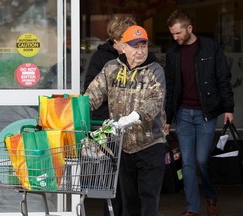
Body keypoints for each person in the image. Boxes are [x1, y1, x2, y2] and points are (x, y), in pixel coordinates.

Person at [85, 25, 166, 216]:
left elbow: (155, 100)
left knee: (148, 198)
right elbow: (92, 95)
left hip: (150, 143)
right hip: (122, 146)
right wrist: (74, 113)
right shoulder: (111, 68)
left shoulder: (155, 70)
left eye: (143, 46)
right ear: (124, 48)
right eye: (134, 46)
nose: (140, 51)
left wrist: (133, 117)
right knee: (129, 202)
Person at [164, 9, 234, 216]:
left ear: (189, 28)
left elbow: (223, 79)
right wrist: (168, 118)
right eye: (172, 34)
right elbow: (171, 88)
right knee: (187, 162)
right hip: (183, 114)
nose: (175, 37)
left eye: (178, 33)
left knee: (202, 160)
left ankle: (211, 197)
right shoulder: (172, 53)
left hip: (206, 114)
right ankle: (193, 208)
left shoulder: (210, 48)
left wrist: (229, 108)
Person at [84, 15, 136, 216]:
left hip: (134, 128)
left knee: (130, 180)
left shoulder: (139, 57)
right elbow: (91, 93)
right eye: (121, 42)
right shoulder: (102, 59)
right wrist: (112, 118)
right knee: (115, 180)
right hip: (112, 127)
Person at [84, 15, 137, 120]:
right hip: (105, 118)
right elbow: (89, 89)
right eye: (127, 40)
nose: (131, 43)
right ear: (116, 39)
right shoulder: (100, 57)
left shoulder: (136, 56)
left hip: (131, 120)